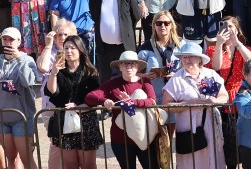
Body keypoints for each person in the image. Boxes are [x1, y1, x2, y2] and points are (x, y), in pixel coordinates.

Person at [85, 51, 159, 169]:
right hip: (121, 138)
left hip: (145, 135)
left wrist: (131, 102)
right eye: (125, 64)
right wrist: (103, 101)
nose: (129, 67)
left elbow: (152, 101)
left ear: (138, 66)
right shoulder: (112, 84)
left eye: (132, 64)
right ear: (119, 66)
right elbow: (90, 97)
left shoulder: (145, 82)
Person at [162, 42, 229, 169]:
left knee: (213, 160)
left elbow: (224, 96)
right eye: (184, 57)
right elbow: (166, 105)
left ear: (199, 59)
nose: (187, 60)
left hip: (212, 128)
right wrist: (190, 104)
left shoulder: (210, 75)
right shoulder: (176, 79)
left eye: (191, 56)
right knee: (191, 163)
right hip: (189, 132)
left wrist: (215, 102)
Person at [206, 16, 251, 169]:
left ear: (237, 30)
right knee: (227, 143)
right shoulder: (212, 49)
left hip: (242, 99)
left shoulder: (245, 49)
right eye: (224, 26)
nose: (227, 30)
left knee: (244, 141)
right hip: (223, 99)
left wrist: (238, 44)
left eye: (231, 27)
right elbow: (215, 67)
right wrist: (219, 44)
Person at [43, 35, 103, 169]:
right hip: (65, 121)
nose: (69, 51)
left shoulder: (91, 72)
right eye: (66, 48)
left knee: (88, 164)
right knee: (70, 164)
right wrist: (53, 72)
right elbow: (51, 91)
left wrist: (79, 107)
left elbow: (96, 98)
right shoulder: (60, 71)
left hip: (86, 120)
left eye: (72, 48)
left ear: (80, 50)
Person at [90, 0, 142, 80]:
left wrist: (125, 28)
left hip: (124, 46)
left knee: (128, 77)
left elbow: (136, 16)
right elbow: (95, 17)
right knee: (104, 79)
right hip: (104, 48)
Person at [0, 27, 40, 169]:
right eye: (5, 39)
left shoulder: (28, 59)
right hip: (2, 118)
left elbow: (28, 82)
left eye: (11, 39)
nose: (8, 42)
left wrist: (19, 59)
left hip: (22, 118)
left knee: (27, 160)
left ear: (19, 41)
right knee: (11, 159)